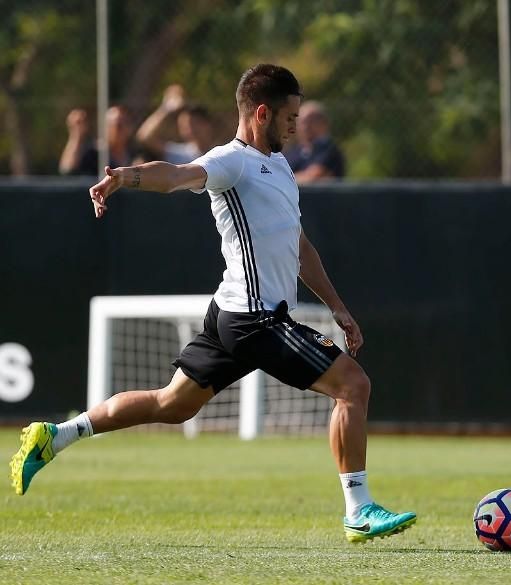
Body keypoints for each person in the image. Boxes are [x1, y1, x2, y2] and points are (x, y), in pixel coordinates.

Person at [10, 64, 416, 543]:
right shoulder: (233, 161)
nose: (295, 125)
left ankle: (56, 435)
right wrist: (126, 176)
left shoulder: (282, 165)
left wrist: (337, 305)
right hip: (255, 318)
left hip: (231, 316)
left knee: (171, 404)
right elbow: (178, 175)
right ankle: (359, 509)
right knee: (352, 385)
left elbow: (298, 245)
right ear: (262, 113)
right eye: (289, 116)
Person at [137, 84, 217, 164]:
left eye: (195, 123)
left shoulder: (220, 152)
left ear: (208, 123)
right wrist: (166, 108)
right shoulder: (178, 153)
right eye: (184, 126)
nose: (190, 129)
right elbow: (144, 137)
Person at [59, 106, 141, 175]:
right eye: (116, 125)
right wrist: (76, 134)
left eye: (125, 123)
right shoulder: (92, 154)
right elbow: (67, 170)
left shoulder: (136, 154)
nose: (119, 130)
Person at [285, 100, 346, 183]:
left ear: (324, 123)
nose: (304, 126)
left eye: (310, 121)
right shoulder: (297, 151)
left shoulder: (329, 150)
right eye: (301, 122)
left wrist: (282, 180)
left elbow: (312, 177)